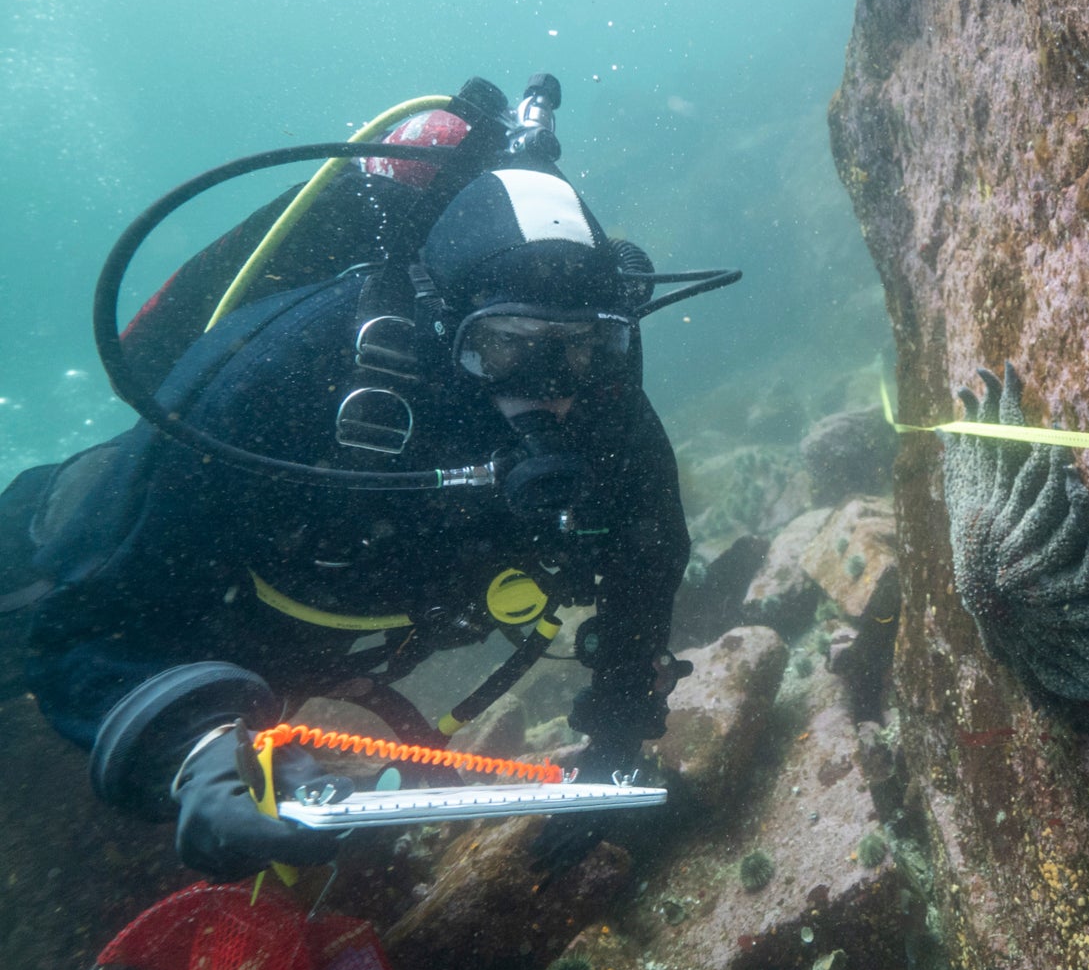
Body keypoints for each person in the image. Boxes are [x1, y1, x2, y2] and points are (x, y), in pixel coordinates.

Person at [0, 83, 730, 883]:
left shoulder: (606, 408)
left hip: (311, 642)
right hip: (65, 565)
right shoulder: (282, 372)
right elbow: (90, 626)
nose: (555, 390)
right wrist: (196, 755)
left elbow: (646, 559)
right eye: (509, 346)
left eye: (585, 348)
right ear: (440, 326)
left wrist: (619, 742)